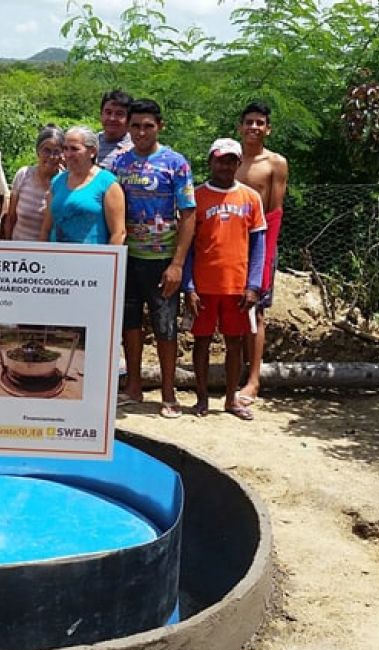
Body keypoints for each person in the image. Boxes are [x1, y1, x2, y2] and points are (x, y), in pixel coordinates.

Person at [111, 99, 196, 419]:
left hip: (162, 260)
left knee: (165, 328)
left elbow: (189, 214)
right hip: (128, 258)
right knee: (130, 324)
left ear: (160, 125)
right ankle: (133, 386)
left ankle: (169, 393)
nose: (141, 132)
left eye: (148, 125)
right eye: (135, 126)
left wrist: (177, 264)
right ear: (128, 128)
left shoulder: (176, 163)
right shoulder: (119, 164)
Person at [183, 138, 267, 421]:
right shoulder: (195, 197)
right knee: (202, 341)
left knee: (234, 343)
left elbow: (259, 246)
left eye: (231, 160)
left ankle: (232, 399)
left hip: (238, 287)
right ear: (210, 162)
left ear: (238, 163)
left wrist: (254, 285)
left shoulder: (250, 198)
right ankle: (202, 397)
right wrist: (189, 286)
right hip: (204, 286)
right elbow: (188, 246)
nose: (225, 165)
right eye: (220, 159)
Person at [235, 101, 289, 405]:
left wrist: (264, 259)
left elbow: (275, 213)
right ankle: (236, 372)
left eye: (260, 122)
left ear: (267, 128)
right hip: (230, 246)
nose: (254, 127)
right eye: (249, 122)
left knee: (256, 310)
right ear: (240, 126)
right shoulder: (231, 158)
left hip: (260, 244)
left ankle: (254, 379)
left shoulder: (275, 163)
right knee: (236, 310)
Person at [38, 125, 125, 245]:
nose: (68, 154)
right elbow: (46, 229)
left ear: (92, 152)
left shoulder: (107, 183)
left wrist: (107, 262)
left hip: (92, 259)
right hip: (56, 258)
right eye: (65, 148)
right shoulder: (57, 182)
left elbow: (118, 233)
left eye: (74, 149)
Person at [3, 125, 64, 241]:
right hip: (19, 249)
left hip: (49, 252)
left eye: (57, 152)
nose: (52, 157)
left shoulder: (65, 182)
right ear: (38, 152)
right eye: (46, 150)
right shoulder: (23, 175)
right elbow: (11, 218)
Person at [97, 89, 134, 170]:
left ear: (129, 118)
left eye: (119, 114)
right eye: (108, 112)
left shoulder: (135, 148)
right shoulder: (89, 143)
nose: (112, 118)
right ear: (101, 114)